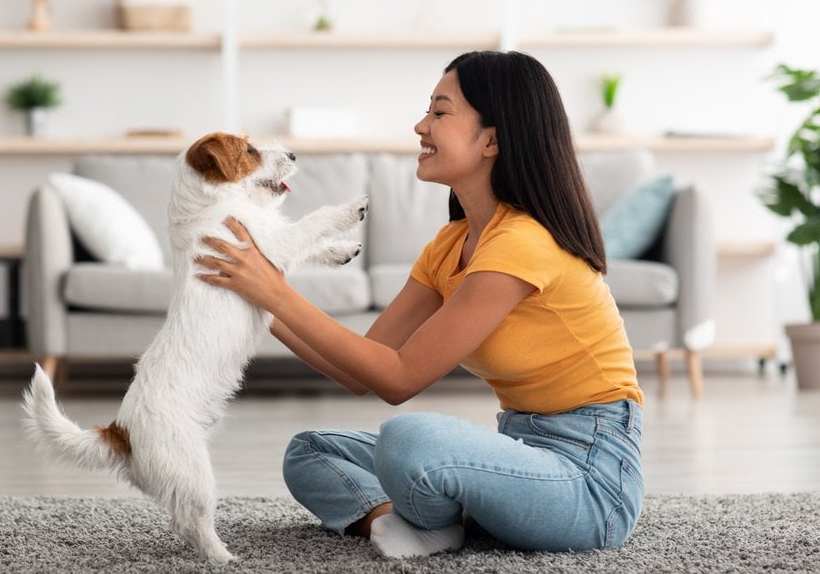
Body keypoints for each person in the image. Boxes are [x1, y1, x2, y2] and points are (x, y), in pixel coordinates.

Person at [196, 50, 644, 559]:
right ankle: (416, 521)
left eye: (439, 112)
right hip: (522, 453)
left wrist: (273, 289)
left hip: (589, 483)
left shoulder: (523, 242)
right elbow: (362, 369)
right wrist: (259, 302)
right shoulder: (452, 243)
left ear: (492, 139)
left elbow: (398, 378)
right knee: (312, 450)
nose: (420, 125)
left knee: (410, 439)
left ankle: (439, 516)